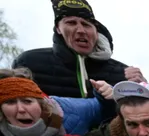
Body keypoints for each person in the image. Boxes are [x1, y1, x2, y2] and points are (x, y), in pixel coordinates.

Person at [14, 0, 142, 103]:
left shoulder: (122, 73)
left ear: (96, 32)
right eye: (71, 23)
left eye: (86, 25)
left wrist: (145, 90)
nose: (81, 30)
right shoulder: (28, 62)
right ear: (58, 29)